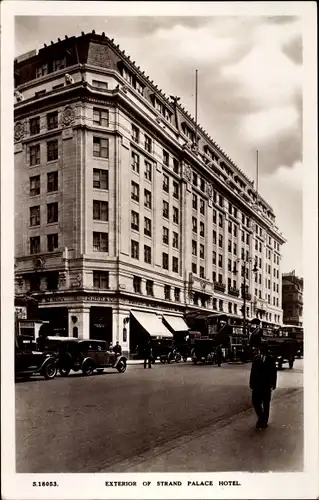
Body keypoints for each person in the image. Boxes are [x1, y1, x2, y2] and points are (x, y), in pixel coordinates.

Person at [249, 342, 277, 430]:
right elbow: (252, 372)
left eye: (261, 348)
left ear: (265, 349)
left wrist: (273, 384)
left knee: (266, 404)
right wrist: (251, 383)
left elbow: (274, 373)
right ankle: (262, 419)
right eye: (259, 348)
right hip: (257, 385)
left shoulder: (271, 359)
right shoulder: (256, 358)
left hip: (266, 385)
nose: (260, 349)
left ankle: (264, 422)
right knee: (255, 402)